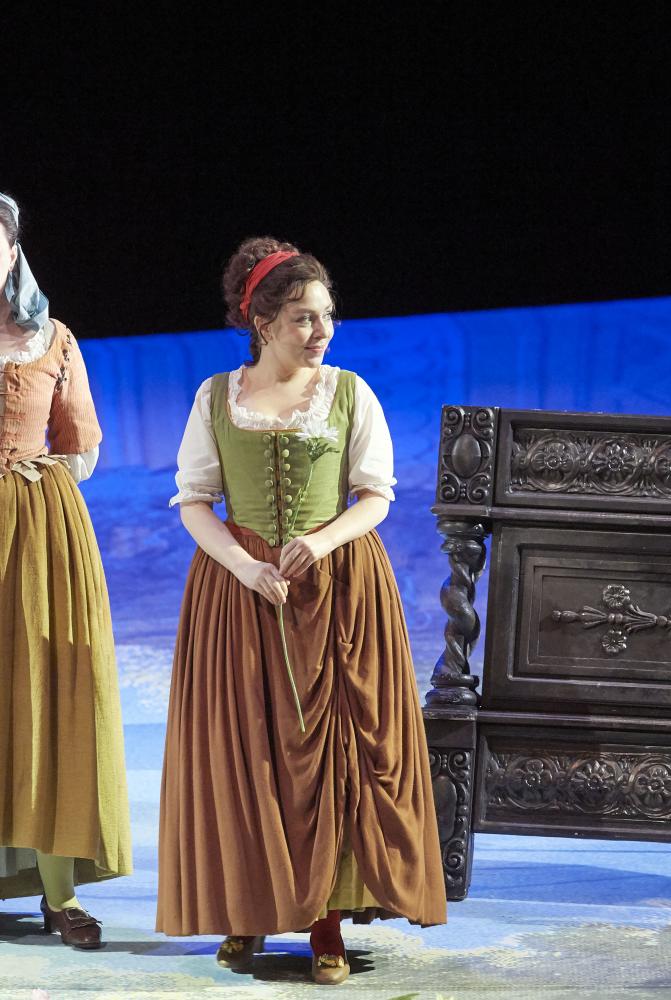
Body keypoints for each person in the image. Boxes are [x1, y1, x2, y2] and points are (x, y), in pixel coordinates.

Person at [157, 236, 446, 985]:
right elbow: (194, 502)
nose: (321, 331)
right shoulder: (216, 398)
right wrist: (246, 566)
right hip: (241, 591)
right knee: (247, 751)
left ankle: (326, 924)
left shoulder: (349, 392)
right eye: (302, 318)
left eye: (326, 315)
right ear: (262, 321)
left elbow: (375, 496)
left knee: (333, 755)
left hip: (339, 587)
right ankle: (248, 910)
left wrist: (319, 543)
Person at [0, 193, 131, 948]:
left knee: (44, 697)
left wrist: (25, 486)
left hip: (37, 532)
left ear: (13, 251)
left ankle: (58, 894)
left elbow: (81, 448)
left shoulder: (52, 338)